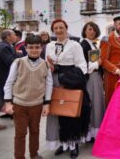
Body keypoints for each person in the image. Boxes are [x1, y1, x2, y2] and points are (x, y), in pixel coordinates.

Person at [45, 19, 90, 159]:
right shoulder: (50, 46)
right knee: (56, 115)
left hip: (69, 82)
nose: (58, 30)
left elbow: (83, 66)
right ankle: (62, 143)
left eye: (61, 27)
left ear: (66, 28)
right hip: (53, 82)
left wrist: (65, 75)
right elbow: (47, 65)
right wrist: (51, 67)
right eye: (56, 28)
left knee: (70, 114)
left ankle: (73, 144)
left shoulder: (75, 45)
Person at [3, 35, 53, 159]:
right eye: (31, 47)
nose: (34, 50)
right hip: (20, 105)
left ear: (42, 48)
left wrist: (46, 103)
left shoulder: (45, 65)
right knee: (20, 133)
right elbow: (9, 82)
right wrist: (8, 102)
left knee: (35, 131)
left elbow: (49, 85)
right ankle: (19, 157)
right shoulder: (18, 62)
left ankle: (34, 154)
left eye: (37, 47)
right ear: (26, 48)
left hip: (37, 105)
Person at [100, 15, 120, 107]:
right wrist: (116, 70)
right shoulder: (107, 38)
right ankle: (110, 121)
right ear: (115, 24)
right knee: (111, 101)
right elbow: (103, 60)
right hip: (112, 76)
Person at [80, 22, 105, 142]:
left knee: (97, 104)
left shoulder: (94, 44)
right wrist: (97, 63)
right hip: (90, 78)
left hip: (97, 77)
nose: (92, 32)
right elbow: (82, 66)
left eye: (94, 30)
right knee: (92, 104)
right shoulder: (83, 45)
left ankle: (96, 131)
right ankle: (89, 133)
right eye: (89, 29)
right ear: (85, 31)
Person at [0, 29, 18, 128]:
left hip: (4, 77)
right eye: (14, 35)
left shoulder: (6, 46)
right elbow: (11, 61)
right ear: (8, 36)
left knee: (3, 99)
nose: (16, 37)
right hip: (2, 77)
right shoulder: (3, 47)